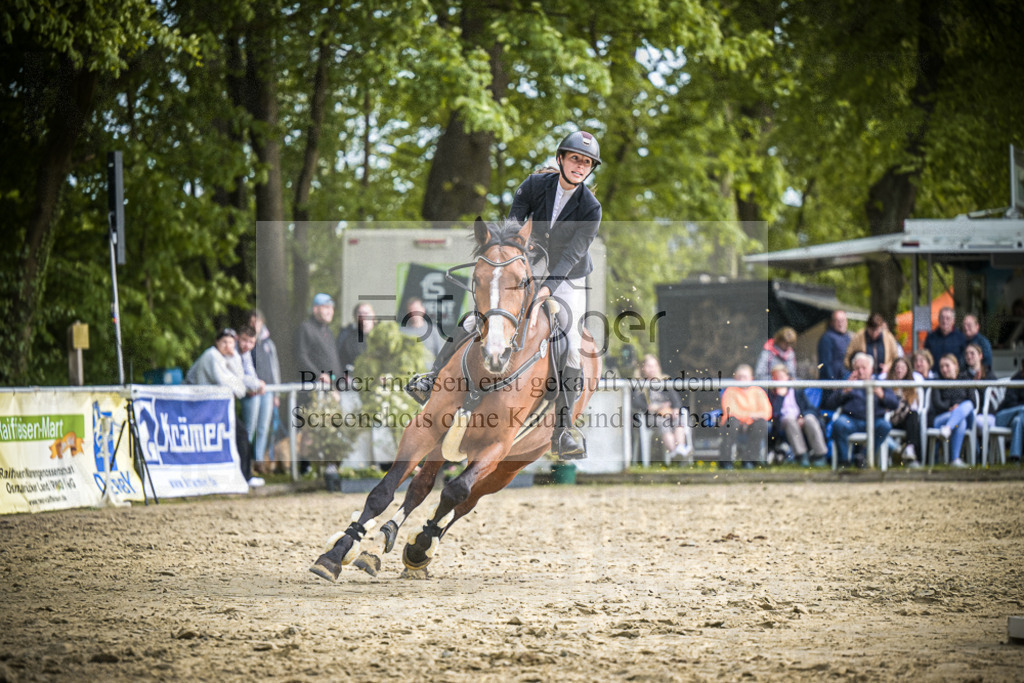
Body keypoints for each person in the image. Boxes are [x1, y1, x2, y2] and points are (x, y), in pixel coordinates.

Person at [408, 129, 603, 461]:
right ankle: (431, 378)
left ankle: (564, 427)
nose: (579, 166)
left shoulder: (591, 207)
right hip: (526, 260)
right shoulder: (534, 185)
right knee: (477, 317)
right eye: (575, 158)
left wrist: (545, 290)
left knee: (570, 341)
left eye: (586, 162)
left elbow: (571, 257)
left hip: (568, 276)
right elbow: (512, 226)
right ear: (561, 159)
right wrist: (507, 263)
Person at [185, 328, 264, 487]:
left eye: (231, 342)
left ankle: (244, 477)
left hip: (215, 406)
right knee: (240, 435)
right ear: (217, 342)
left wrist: (235, 359)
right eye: (224, 342)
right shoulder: (211, 355)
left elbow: (239, 380)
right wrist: (241, 387)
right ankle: (244, 477)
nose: (228, 346)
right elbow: (227, 382)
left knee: (241, 435)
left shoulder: (229, 357)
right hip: (198, 406)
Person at [825, 352, 900, 468]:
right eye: (857, 368)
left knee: (885, 426)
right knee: (839, 424)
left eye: (864, 368)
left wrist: (882, 395)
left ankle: (863, 457)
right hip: (851, 420)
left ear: (871, 368)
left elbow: (895, 404)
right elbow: (830, 404)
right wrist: (845, 391)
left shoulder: (880, 383)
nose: (860, 371)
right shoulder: (849, 382)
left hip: (875, 421)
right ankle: (844, 462)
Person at [631, 354, 692, 462]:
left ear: (658, 367)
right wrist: (650, 407)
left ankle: (680, 449)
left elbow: (676, 400)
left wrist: (675, 409)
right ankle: (674, 452)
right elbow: (635, 402)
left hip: (668, 413)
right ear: (643, 368)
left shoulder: (665, 381)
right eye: (649, 366)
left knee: (678, 419)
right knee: (664, 423)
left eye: (654, 366)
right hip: (652, 417)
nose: (652, 369)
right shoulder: (640, 385)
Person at [768, 364, 828, 468]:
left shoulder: (797, 391)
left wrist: (802, 416)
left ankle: (820, 454)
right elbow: (774, 414)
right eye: (776, 378)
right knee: (790, 420)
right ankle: (802, 455)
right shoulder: (772, 394)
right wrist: (780, 397)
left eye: (781, 377)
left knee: (810, 419)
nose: (779, 381)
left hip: (800, 418)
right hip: (783, 422)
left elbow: (810, 408)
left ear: (787, 377)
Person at [718, 364, 773, 468]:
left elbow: (767, 412)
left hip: (752, 423)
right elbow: (730, 411)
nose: (742, 379)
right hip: (736, 423)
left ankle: (749, 460)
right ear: (735, 378)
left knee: (761, 424)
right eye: (740, 377)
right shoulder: (730, 391)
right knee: (731, 423)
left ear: (751, 378)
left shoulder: (758, 391)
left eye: (745, 377)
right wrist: (749, 417)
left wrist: (747, 419)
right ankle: (726, 461)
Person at [928, 354, 975, 468]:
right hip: (943, 417)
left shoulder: (965, 379)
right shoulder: (938, 381)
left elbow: (973, 401)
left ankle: (947, 428)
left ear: (955, 365)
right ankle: (955, 459)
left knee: (967, 405)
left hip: (965, 415)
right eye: (941, 367)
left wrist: (958, 407)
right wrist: (950, 407)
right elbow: (937, 404)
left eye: (947, 366)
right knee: (960, 422)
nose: (944, 369)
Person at [296, 293, 342, 386]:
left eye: (332, 308)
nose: (330, 311)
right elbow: (301, 356)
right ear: (315, 309)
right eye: (326, 307)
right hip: (313, 385)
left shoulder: (328, 331)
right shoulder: (306, 328)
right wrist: (318, 375)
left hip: (332, 384)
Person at [886, 357, 923, 468]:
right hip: (891, 419)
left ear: (907, 370)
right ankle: (904, 452)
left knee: (913, 415)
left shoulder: (912, 389)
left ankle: (911, 449)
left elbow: (915, 407)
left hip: (906, 421)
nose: (899, 370)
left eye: (902, 367)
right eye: (897, 367)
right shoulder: (887, 386)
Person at [845, 313, 903, 378]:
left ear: (881, 328)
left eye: (877, 330)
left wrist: (888, 367)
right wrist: (857, 369)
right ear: (867, 327)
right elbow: (848, 357)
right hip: (863, 377)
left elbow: (895, 358)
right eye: (872, 330)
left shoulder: (889, 338)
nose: (874, 333)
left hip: (884, 376)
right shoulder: (858, 337)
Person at [336, 302, 376, 382]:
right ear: (355, 317)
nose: (363, 316)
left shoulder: (381, 336)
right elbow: (340, 359)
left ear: (373, 315)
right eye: (360, 313)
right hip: (353, 381)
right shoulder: (347, 337)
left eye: (366, 313)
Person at [399, 297, 443, 366]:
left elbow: (441, 355)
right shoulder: (402, 332)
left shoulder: (433, 330)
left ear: (423, 310)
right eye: (411, 311)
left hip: (429, 374)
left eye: (417, 310)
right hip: (408, 374)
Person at [994, 368, 1024, 463]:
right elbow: (1009, 402)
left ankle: (1015, 457)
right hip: (1003, 417)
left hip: (1020, 420)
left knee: (1018, 421)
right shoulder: (1016, 380)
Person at [924, 307, 966, 373]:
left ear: (953, 321)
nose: (944, 321)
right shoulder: (931, 337)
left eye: (948, 318)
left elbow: (964, 359)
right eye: (942, 318)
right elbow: (926, 357)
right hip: (935, 376)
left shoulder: (961, 337)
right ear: (938, 319)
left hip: (955, 376)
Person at [817, 310, 851, 381]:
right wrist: (832, 380)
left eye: (843, 321)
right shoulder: (827, 338)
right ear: (832, 322)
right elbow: (825, 363)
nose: (841, 324)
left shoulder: (848, 337)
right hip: (832, 383)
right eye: (838, 321)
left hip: (845, 379)